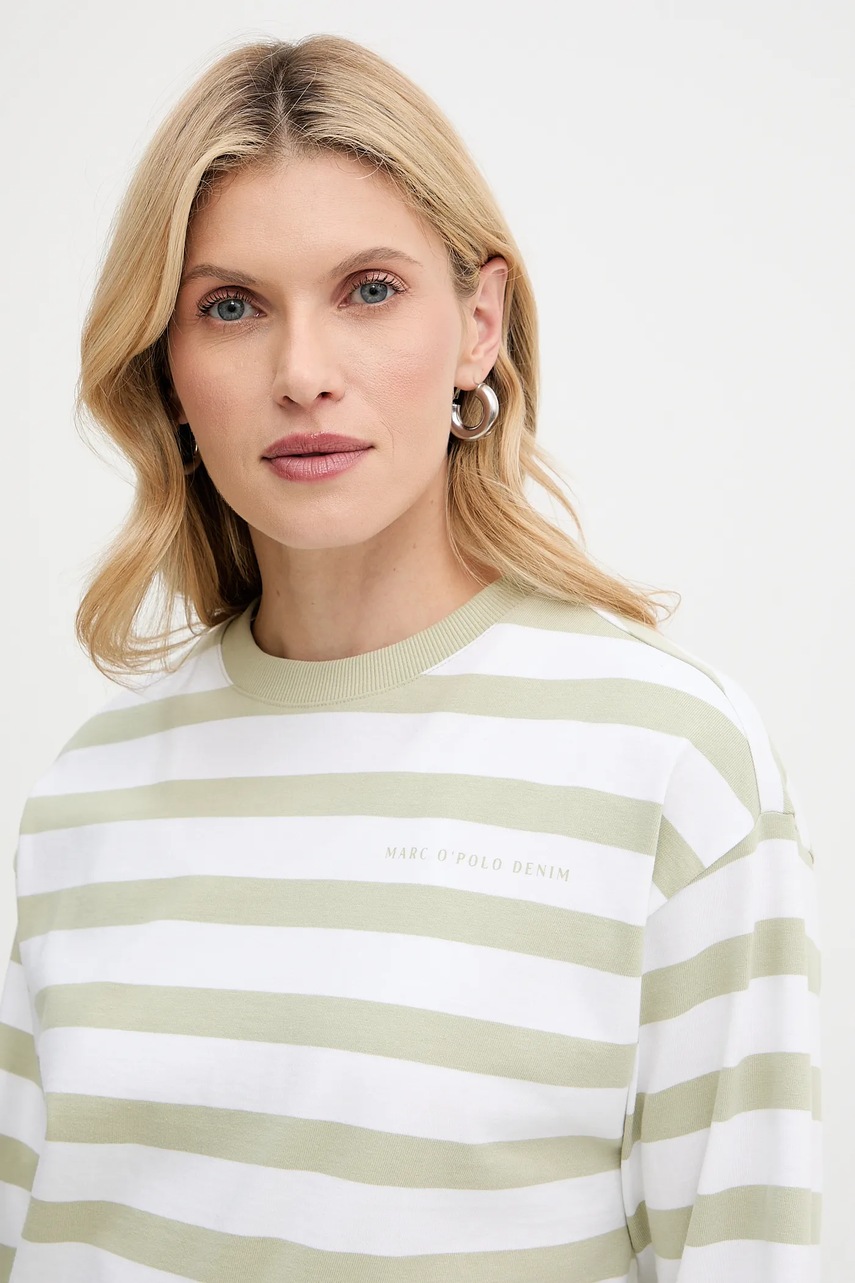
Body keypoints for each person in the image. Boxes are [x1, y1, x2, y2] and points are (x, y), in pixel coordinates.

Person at [0, 33, 820, 1283]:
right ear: (168, 366)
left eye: (370, 289)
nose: (302, 374)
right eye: (231, 307)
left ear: (479, 323)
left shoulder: (668, 766)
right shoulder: (85, 794)